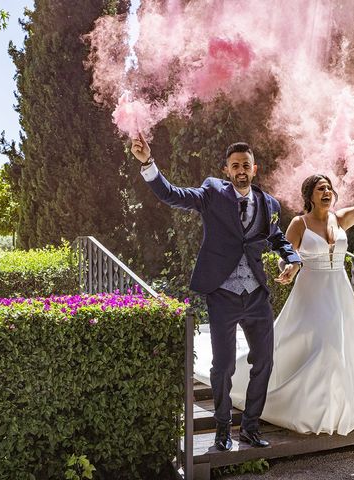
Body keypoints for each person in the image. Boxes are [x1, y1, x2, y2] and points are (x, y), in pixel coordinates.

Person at [195, 170, 354, 435]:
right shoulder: (299, 224)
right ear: (310, 196)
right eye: (320, 189)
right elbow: (286, 255)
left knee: (347, 351)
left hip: (339, 293)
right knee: (323, 348)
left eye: (329, 188)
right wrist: (289, 267)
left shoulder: (340, 218)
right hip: (311, 294)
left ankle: (335, 408)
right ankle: (311, 412)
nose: (327, 192)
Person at [130, 134, 302, 451]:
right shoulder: (211, 192)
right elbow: (172, 195)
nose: (240, 170)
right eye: (235, 165)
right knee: (223, 366)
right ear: (226, 169)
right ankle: (223, 429)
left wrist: (292, 260)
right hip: (222, 295)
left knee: (264, 362)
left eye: (246, 165)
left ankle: (250, 428)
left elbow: (278, 239)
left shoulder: (269, 204)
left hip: (257, 296)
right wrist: (148, 164)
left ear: (254, 169)